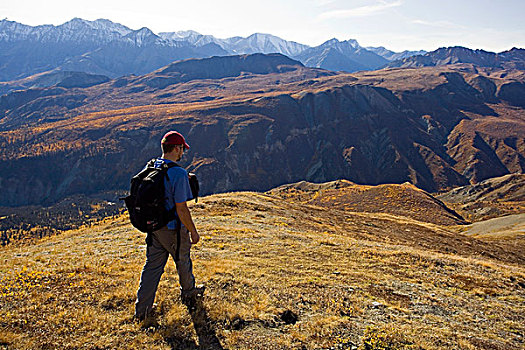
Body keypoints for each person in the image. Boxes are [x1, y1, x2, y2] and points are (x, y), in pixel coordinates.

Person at [134, 130, 204, 320]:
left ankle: (143, 310)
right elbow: (181, 209)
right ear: (176, 148)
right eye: (182, 149)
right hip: (172, 228)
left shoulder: (153, 166)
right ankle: (189, 294)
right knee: (183, 260)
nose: (183, 153)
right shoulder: (178, 174)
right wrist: (193, 232)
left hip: (154, 227)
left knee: (152, 267)